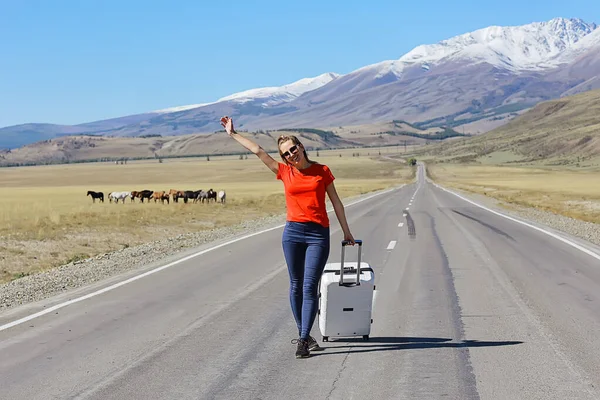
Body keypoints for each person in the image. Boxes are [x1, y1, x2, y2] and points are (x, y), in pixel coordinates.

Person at [220, 116, 355, 359]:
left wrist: (346, 231)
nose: (291, 155)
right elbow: (258, 150)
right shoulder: (284, 172)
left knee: (309, 286)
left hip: (317, 234)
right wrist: (233, 133)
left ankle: (303, 340)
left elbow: (336, 202)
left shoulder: (322, 171)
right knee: (295, 285)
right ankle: (304, 333)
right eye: (286, 153)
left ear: (301, 146)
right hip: (292, 232)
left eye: (293, 149)